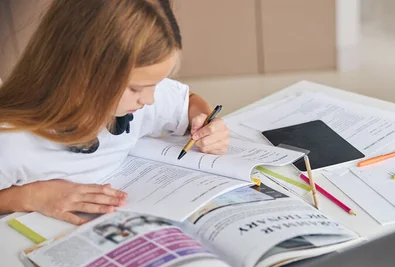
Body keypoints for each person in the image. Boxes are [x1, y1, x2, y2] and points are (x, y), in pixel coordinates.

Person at [0, 0, 229, 224]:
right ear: (82, 74)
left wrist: (208, 122)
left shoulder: (137, 103)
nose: (149, 100)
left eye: (156, 85)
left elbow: (189, 103)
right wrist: (29, 196)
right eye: (136, 88)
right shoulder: (11, 140)